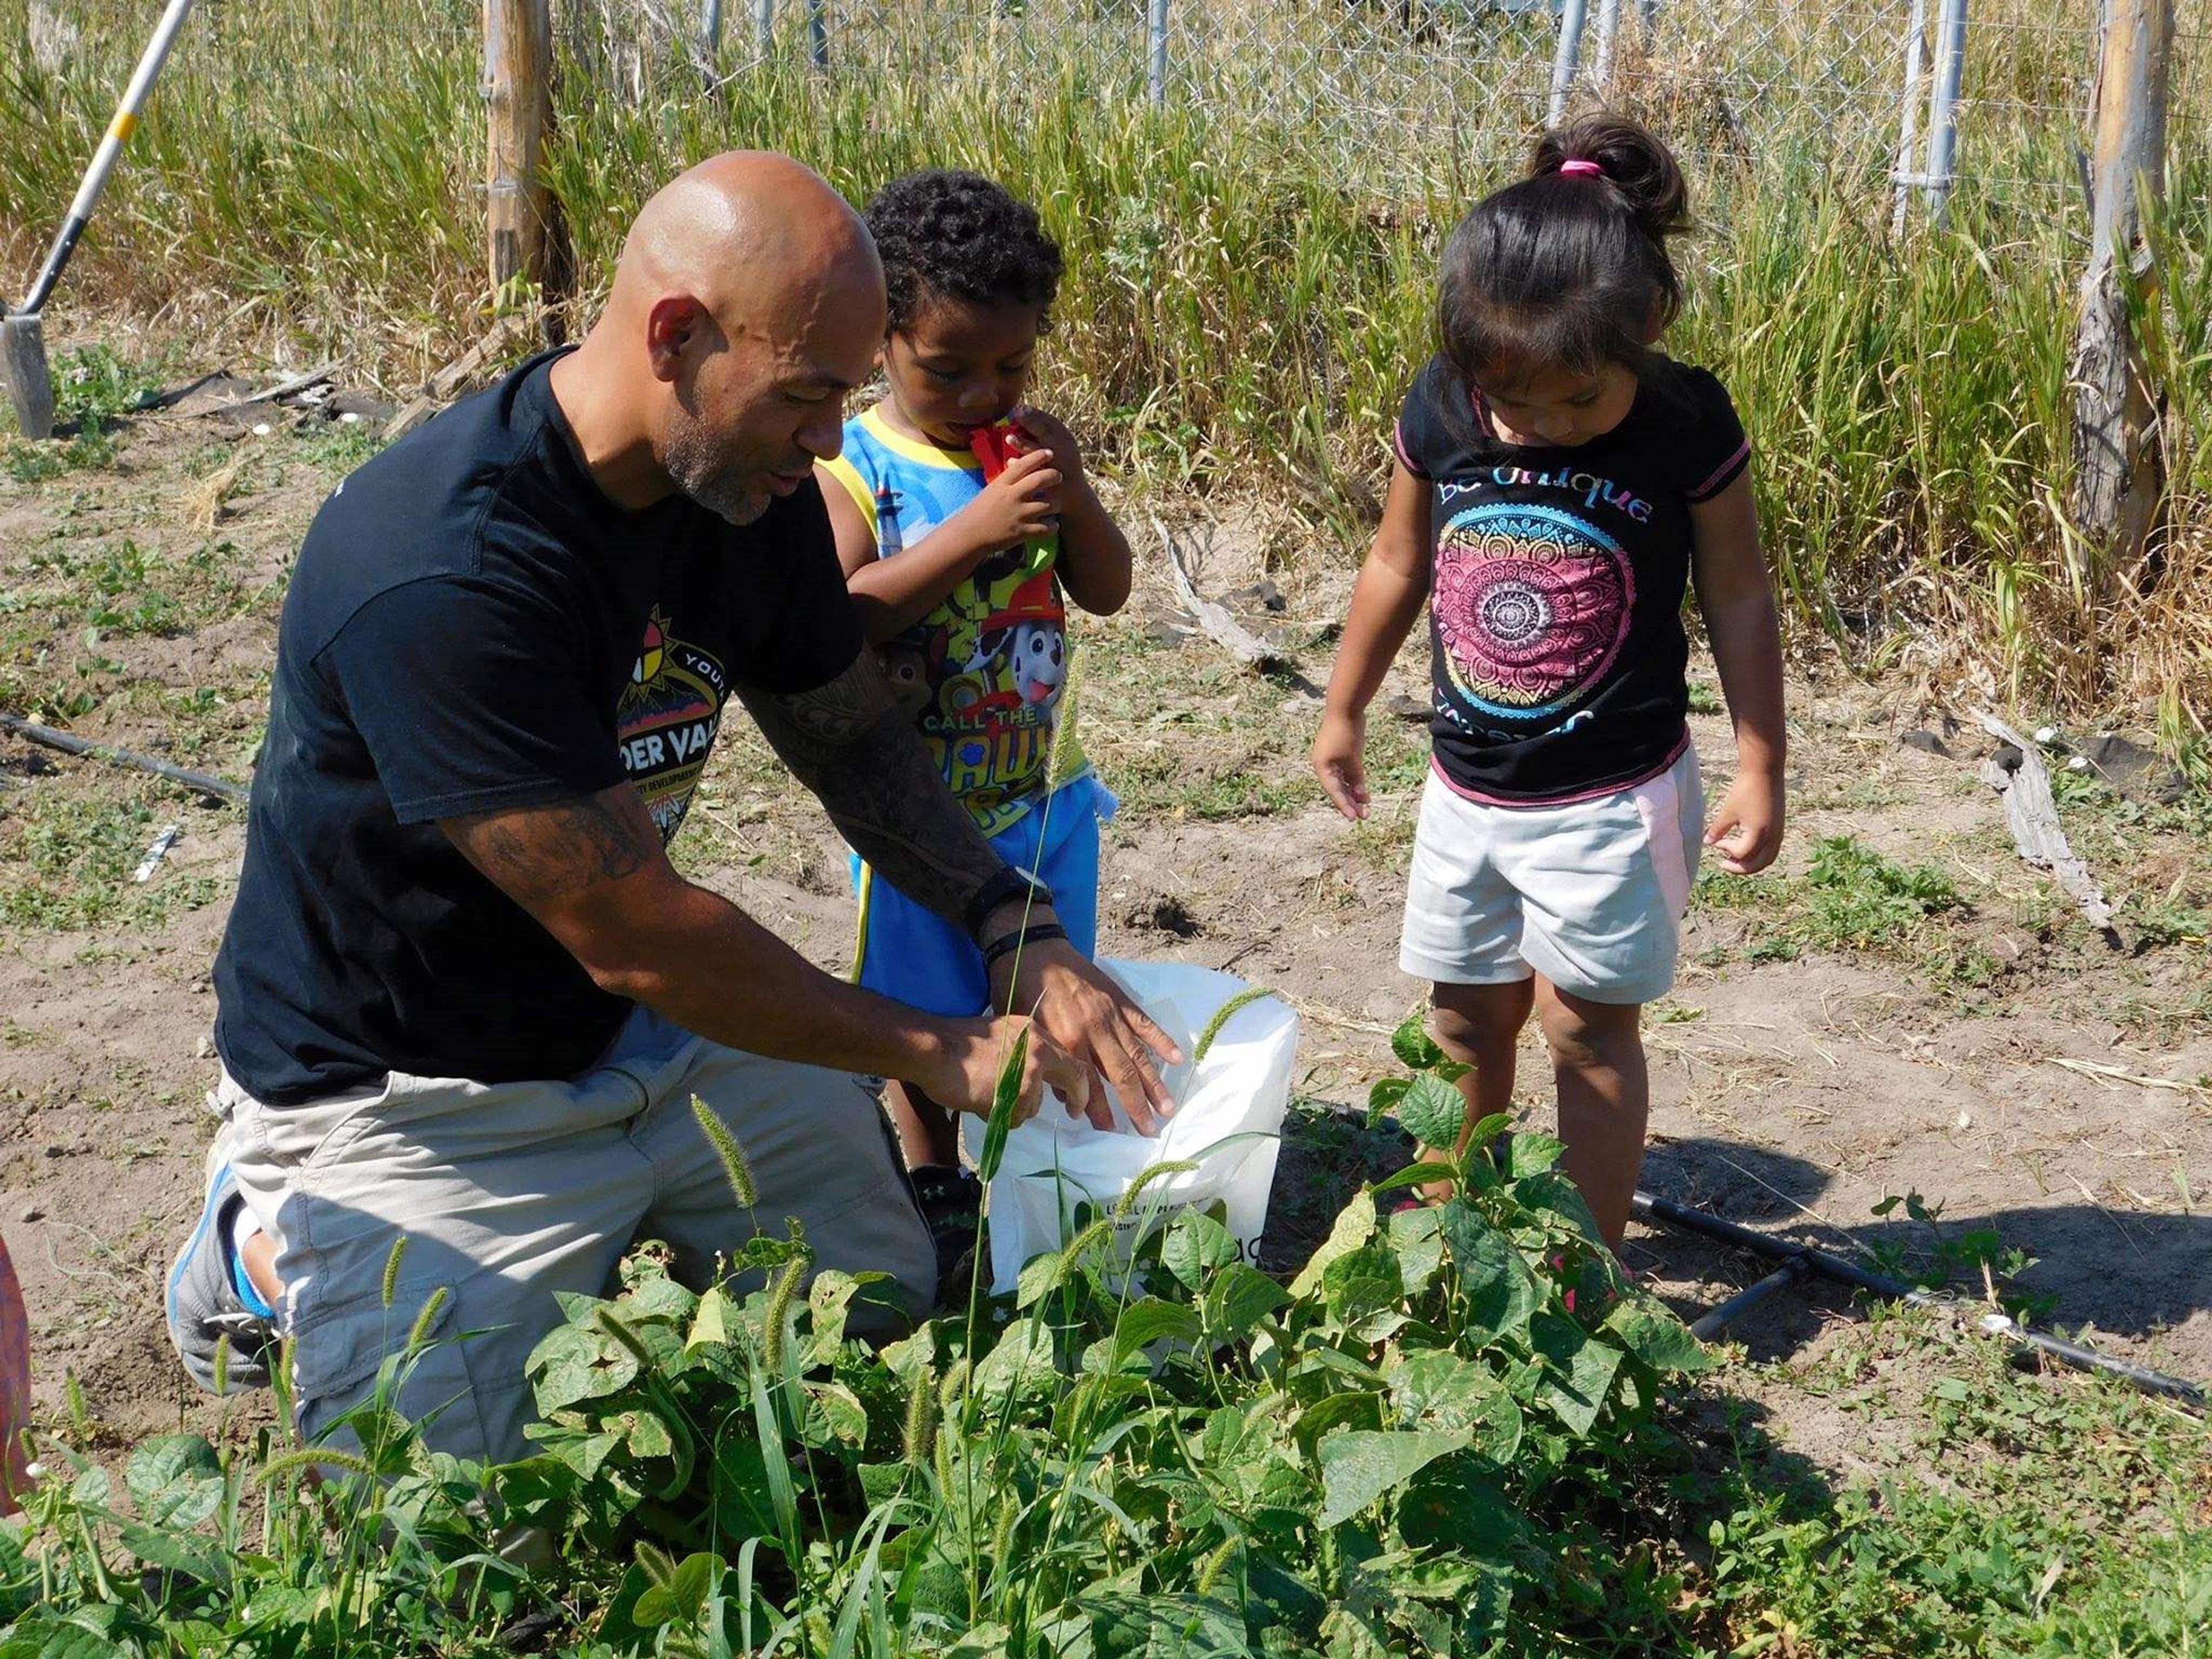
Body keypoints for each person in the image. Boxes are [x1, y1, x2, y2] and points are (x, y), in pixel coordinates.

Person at [164, 152, 1179, 1466]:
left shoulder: (735, 493)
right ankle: (257, 1248)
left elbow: (850, 733)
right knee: (465, 1528)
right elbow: (638, 929)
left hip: (645, 1034)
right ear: (676, 335)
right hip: (418, 1092)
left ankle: (607, 1222)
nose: (831, 441)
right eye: (811, 395)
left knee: (880, 1312)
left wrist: (1010, 922)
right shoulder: (448, 567)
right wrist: (933, 1049)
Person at [1311, 115, 1786, 1251]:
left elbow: (1739, 594)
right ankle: (1439, 1245)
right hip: (1466, 793)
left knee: (1586, 1030)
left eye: (1581, 402)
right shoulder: (1441, 402)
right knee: (1465, 1024)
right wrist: (1343, 705)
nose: (1544, 427)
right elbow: (1395, 558)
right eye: (1516, 404)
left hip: (1613, 800)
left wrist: (1761, 761)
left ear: (1651, 329)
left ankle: (1585, 1268)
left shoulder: (1685, 420)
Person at [816, 171, 1132, 1276]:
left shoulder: (1030, 455)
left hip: (1040, 795)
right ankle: (938, 1175)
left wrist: (1073, 493)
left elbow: (1107, 590)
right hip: (916, 813)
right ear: (881, 341)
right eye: (947, 369)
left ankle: (1046, 1173)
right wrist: (975, 532)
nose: (983, 394)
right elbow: (841, 616)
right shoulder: (855, 467)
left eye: (1012, 367)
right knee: (921, 1004)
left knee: (1050, 985)